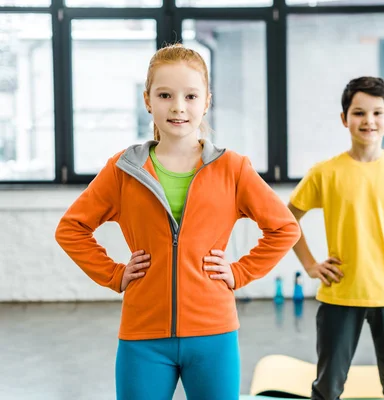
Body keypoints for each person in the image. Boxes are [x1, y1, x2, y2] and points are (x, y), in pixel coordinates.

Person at [54, 43, 301, 400]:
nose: (178, 107)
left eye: (190, 95)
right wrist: (114, 274)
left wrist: (240, 272)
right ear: (147, 100)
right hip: (143, 336)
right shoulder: (124, 169)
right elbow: (71, 229)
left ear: (207, 101)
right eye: (165, 95)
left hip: (214, 334)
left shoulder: (233, 168)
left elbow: (284, 228)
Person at [288, 76, 384, 400]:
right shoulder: (324, 172)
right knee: (327, 388)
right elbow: (288, 220)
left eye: (376, 112)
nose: (368, 121)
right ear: (344, 119)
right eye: (359, 113)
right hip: (339, 294)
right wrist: (311, 265)